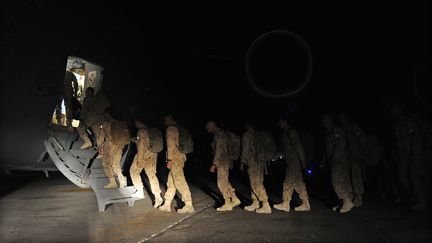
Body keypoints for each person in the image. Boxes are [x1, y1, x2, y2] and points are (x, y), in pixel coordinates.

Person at [390, 106, 428, 210]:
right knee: (402, 177)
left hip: (412, 155)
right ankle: (416, 197)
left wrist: (415, 155)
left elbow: (415, 140)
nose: (393, 112)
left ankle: (422, 200)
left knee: (415, 178)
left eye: (395, 110)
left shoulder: (408, 123)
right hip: (403, 156)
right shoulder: (396, 125)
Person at [273, 117, 311, 212]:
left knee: (288, 182)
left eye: (280, 121)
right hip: (291, 160)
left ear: (285, 121)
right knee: (298, 183)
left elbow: (298, 146)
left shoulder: (291, 132)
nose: (279, 124)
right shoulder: (285, 133)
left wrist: (302, 160)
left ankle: (285, 203)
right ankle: (306, 203)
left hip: (294, 161)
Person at [159, 114, 194, 213]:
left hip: (175, 159)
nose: (164, 121)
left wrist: (169, 160)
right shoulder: (178, 128)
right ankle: (167, 203)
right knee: (171, 182)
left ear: (170, 119)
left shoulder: (170, 129)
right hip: (180, 157)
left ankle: (189, 204)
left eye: (165, 119)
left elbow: (170, 145)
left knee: (179, 181)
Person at [207, 120, 241, 212]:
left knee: (221, 183)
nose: (207, 130)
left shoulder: (219, 135)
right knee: (225, 181)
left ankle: (227, 203)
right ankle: (234, 198)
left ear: (213, 125)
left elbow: (219, 150)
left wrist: (214, 164)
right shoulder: (223, 134)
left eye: (208, 127)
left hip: (222, 161)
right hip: (225, 160)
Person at [322, 114, 354, 213]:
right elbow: (326, 149)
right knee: (338, 180)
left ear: (330, 119)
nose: (323, 122)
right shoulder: (328, 132)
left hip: (339, 159)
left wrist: (334, 157)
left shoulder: (336, 130)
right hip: (333, 160)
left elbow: (341, 143)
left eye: (325, 119)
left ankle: (347, 201)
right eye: (323, 120)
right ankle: (343, 202)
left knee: (337, 181)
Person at [129, 118, 163, 208]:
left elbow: (141, 147)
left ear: (139, 122)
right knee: (152, 175)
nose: (135, 124)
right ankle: (158, 196)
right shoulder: (150, 131)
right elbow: (141, 141)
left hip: (143, 155)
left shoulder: (141, 131)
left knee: (133, 171)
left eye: (136, 122)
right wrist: (133, 139)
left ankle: (139, 191)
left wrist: (139, 160)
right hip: (153, 155)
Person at [241, 121, 271, 214]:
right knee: (256, 182)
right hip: (261, 162)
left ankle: (266, 205)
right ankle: (255, 202)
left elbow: (246, 149)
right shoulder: (259, 134)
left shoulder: (247, 135)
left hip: (253, 162)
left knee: (256, 183)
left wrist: (242, 161)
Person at [338, 114, 367, 207]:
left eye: (343, 118)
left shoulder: (353, 127)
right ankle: (351, 197)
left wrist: (359, 152)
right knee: (347, 178)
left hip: (355, 157)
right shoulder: (341, 129)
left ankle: (358, 198)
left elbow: (362, 139)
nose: (342, 120)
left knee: (356, 177)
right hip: (346, 158)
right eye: (340, 119)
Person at [98, 109, 127, 189]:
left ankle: (112, 182)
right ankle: (122, 181)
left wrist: (100, 148)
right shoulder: (120, 123)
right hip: (120, 145)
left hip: (110, 146)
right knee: (116, 164)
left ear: (107, 115)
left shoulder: (105, 124)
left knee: (106, 164)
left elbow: (101, 138)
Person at [63, 63, 80, 131]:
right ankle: (69, 122)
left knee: (58, 104)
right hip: (68, 90)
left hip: (60, 90)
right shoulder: (70, 73)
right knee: (68, 106)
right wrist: (75, 93)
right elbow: (75, 82)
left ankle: (58, 116)